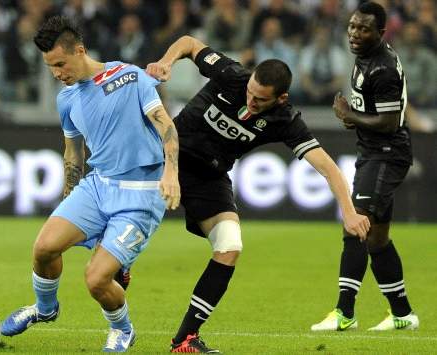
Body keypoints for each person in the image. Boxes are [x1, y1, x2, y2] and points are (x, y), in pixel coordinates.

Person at [145, 35, 370, 353]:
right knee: (132, 220)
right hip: (169, 157)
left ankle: (184, 339)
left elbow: (329, 168)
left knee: (230, 245)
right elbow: (189, 43)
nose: (250, 102)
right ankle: (120, 264)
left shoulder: (285, 120)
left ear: (281, 98)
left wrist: (348, 211)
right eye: (250, 92)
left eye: (259, 100)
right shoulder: (231, 74)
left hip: (210, 176)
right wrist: (167, 62)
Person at [0, 15, 180, 352]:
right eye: (50, 66)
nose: (56, 73)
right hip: (97, 187)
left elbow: (166, 127)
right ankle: (44, 308)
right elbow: (73, 152)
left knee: (96, 280)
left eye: (60, 63)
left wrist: (171, 172)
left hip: (140, 195)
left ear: (80, 50)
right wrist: (68, 196)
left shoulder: (130, 76)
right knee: (44, 248)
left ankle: (122, 329)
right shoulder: (66, 99)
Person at [311, 1, 419, 332]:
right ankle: (403, 314)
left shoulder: (383, 67)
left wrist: (349, 115)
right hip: (374, 152)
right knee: (376, 238)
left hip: (386, 153)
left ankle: (345, 312)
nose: (355, 33)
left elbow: (388, 122)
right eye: (353, 26)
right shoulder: (366, 57)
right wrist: (356, 118)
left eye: (364, 28)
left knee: (354, 225)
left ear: (381, 32)